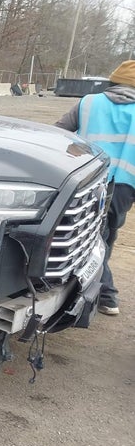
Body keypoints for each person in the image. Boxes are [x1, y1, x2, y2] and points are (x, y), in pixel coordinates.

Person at [56, 60, 135, 316]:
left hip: (87, 181)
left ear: (112, 82)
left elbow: (57, 133)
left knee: (89, 236)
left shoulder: (89, 102)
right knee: (103, 237)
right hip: (123, 185)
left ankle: (100, 292)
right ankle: (104, 295)